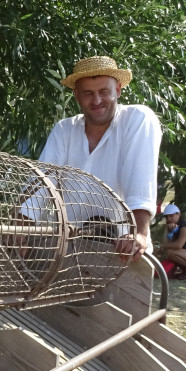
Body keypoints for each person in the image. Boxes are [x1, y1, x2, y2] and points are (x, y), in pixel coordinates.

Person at [36, 55, 163, 260]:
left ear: (118, 90)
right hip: (71, 253)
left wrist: (138, 233)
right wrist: (22, 224)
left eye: (104, 92)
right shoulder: (64, 130)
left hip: (124, 251)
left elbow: (141, 177)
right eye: (88, 93)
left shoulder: (138, 119)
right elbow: (40, 183)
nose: (96, 101)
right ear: (76, 95)